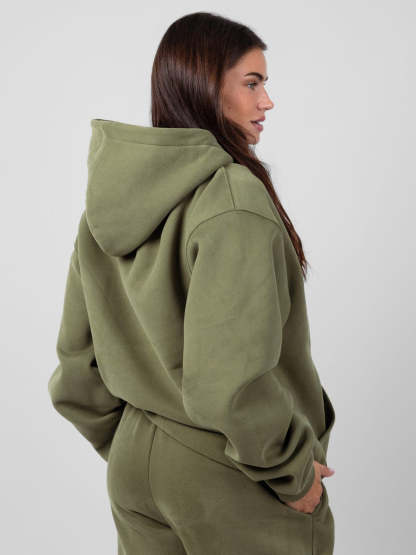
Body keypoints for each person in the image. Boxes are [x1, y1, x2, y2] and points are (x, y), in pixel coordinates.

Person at [48, 11, 336, 555]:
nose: (267, 102)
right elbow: (231, 379)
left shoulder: (105, 205)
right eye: (252, 83)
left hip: (135, 467)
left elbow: (77, 370)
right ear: (204, 85)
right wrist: (292, 471)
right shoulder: (232, 199)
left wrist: (138, 443)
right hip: (230, 473)